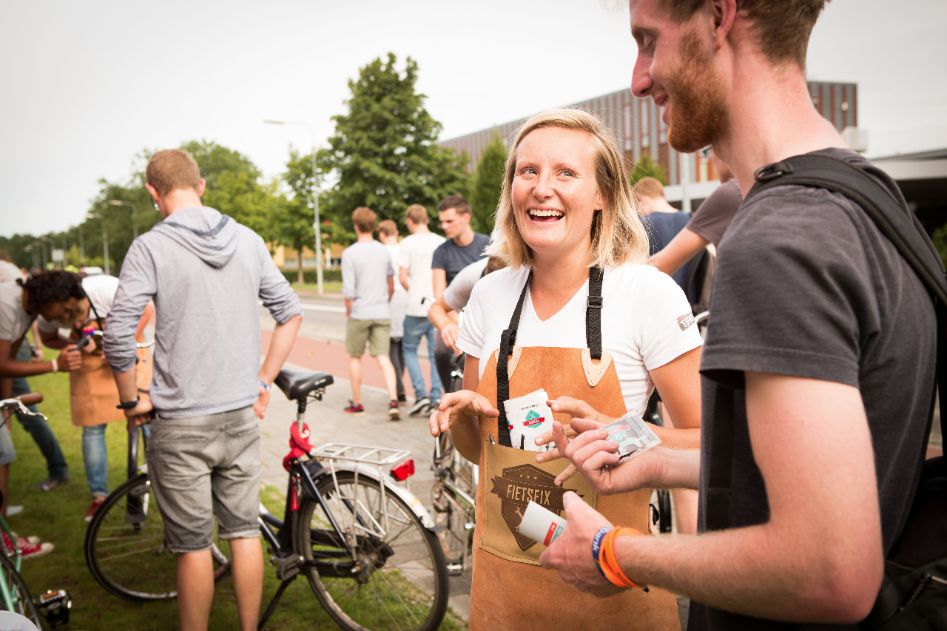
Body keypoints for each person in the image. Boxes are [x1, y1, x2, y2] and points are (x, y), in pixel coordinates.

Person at [539, 2, 936, 629]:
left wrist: (612, 553)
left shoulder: (779, 238)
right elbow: (822, 477)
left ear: (719, 18)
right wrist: (659, 460)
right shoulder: (869, 198)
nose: (639, 78)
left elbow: (829, 571)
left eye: (649, 41)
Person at [429, 108, 703, 630]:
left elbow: (711, 443)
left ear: (602, 194)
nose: (541, 188)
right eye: (527, 171)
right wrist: (463, 417)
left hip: (612, 596)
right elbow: (479, 450)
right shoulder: (488, 295)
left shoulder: (646, 293)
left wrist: (621, 435)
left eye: (566, 173)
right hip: (502, 599)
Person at [103, 148, 302, 631]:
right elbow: (290, 313)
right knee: (244, 532)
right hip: (240, 415)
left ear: (153, 193)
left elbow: (117, 334)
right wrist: (262, 381)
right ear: (201, 185)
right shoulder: (248, 239)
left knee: (193, 546)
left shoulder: (150, 247)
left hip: (181, 422)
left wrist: (131, 400)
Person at [34, 272, 154, 521]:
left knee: (145, 420)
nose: (73, 319)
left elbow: (147, 310)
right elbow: (47, 337)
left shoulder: (105, 288)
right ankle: (99, 497)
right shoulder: (51, 309)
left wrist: (120, 342)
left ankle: (161, 479)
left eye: (76, 312)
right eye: (65, 317)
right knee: (92, 427)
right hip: (90, 362)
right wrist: (76, 345)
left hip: (127, 350)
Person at [0, 260, 70, 494]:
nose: (64, 316)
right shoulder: (6, 303)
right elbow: (2, 364)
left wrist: (6, 408)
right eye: (64, 308)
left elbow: (9, 360)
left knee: (4, 455)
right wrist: (54, 365)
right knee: (3, 455)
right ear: (50, 299)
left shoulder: (29, 309)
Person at [341, 207, 401, 420]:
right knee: (384, 357)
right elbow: (391, 283)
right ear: (374, 226)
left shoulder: (349, 253)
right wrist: (385, 302)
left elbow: (349, 291)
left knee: (355, 357)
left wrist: (349, 313)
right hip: (381, 311)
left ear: (356, 226)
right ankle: (393, 401)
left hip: (359, 312)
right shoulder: (383, 251)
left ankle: (358, 403)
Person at [430, 195, 490, 394]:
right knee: (440, 350)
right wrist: (450, 324)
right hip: (454, 310)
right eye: (442, 222)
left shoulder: (488, 245)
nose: (444, 226)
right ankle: (449, 395)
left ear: (466, 217)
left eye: (449, 221)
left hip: (484, 312)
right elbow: (439, 294)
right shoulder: (441, 252)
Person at [649, 148, 742, 276]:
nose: (711, 157)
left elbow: (660, 264)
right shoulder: (763, 186)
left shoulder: (730, 194)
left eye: (709, 148)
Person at [397, 204, 445, 415]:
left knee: (409, 349)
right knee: (435, 353)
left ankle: (420, 395)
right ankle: (436, 397)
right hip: (436, 305)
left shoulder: (407, 243)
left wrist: (413, 291)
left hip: (415, 306)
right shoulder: (441, 242)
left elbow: (402, 277)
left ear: (410, 220)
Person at [377, 219, 408, 403]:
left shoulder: (381, 251)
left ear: (382, 234)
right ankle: (399, 385)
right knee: (403, 344)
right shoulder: (404, 248)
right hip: (406, 298)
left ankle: (397, 388)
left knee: (391, 346)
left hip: (390, 299)